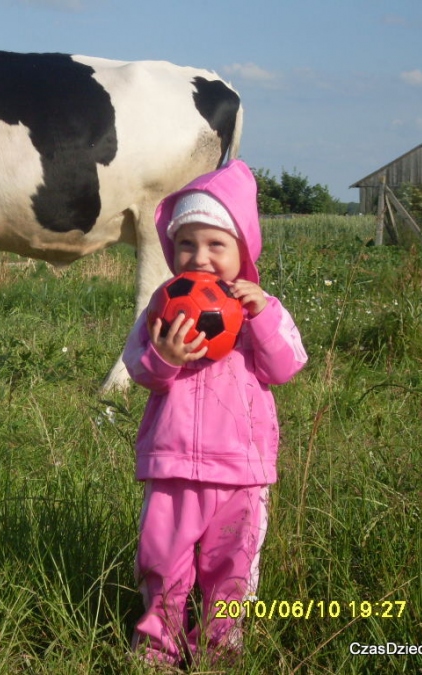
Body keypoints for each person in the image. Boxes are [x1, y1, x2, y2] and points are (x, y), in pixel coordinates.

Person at [122, 159, 308, 667]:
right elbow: (138, 367)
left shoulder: (261, 309)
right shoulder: (165, 306)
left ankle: (218, 648)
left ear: (243, 249)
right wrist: (166, 357)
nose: (199, 256)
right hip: (173, 466)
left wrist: (264, 314)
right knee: (163, 561)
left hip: (242, 472)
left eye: (215, 245)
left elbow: (287, 364)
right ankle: (158, 647)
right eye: (187, 244)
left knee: (232, 566)